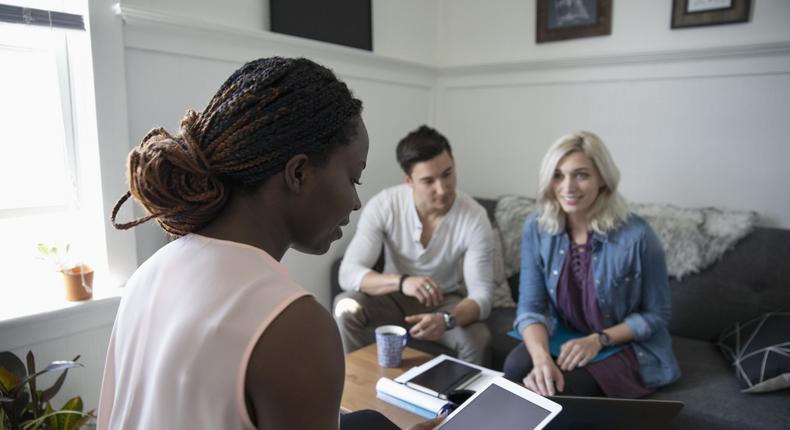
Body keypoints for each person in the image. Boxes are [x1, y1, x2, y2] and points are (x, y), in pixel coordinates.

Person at [98, 57, 442, 430]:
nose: (356, 202)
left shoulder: (148, 273)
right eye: (354, 179)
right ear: (298, 173)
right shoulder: (296, 326)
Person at [503, 131, 680, 398]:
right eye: (558, 175)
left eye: (581, 175)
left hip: (622, 344)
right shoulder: (537, 228)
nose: (568, 187)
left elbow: (657, 315)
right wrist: (541, 360)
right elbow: (530, 306)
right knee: (516, 367)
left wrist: (598, 340)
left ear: (602, 180)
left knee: (561, 388)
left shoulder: (638, 236)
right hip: (565, 334)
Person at [334, 125, 495, 365]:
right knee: (345, 306)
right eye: (429, 181)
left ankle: (464, 403)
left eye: (447, 174)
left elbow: (483, 297)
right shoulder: (385, 204)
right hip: (392, 296)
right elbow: (347, 273)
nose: (442, 189)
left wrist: (446, 319)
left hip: (443, 300)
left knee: (478, 337)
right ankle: (355, 385)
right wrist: (401, 282)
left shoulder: (474, 216)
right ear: (409, 180)